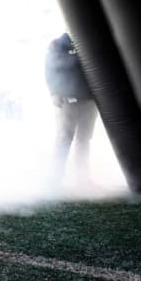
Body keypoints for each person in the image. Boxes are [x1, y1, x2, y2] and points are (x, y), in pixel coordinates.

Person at [44, 32, 98, 186]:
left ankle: (82, 178)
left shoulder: (90, 40)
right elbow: (49, 70)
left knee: (84, 140)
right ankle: (55, 178)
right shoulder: (57, 44)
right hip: (67, 101)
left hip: (88, 100)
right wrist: (54, 92)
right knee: (64, 139)